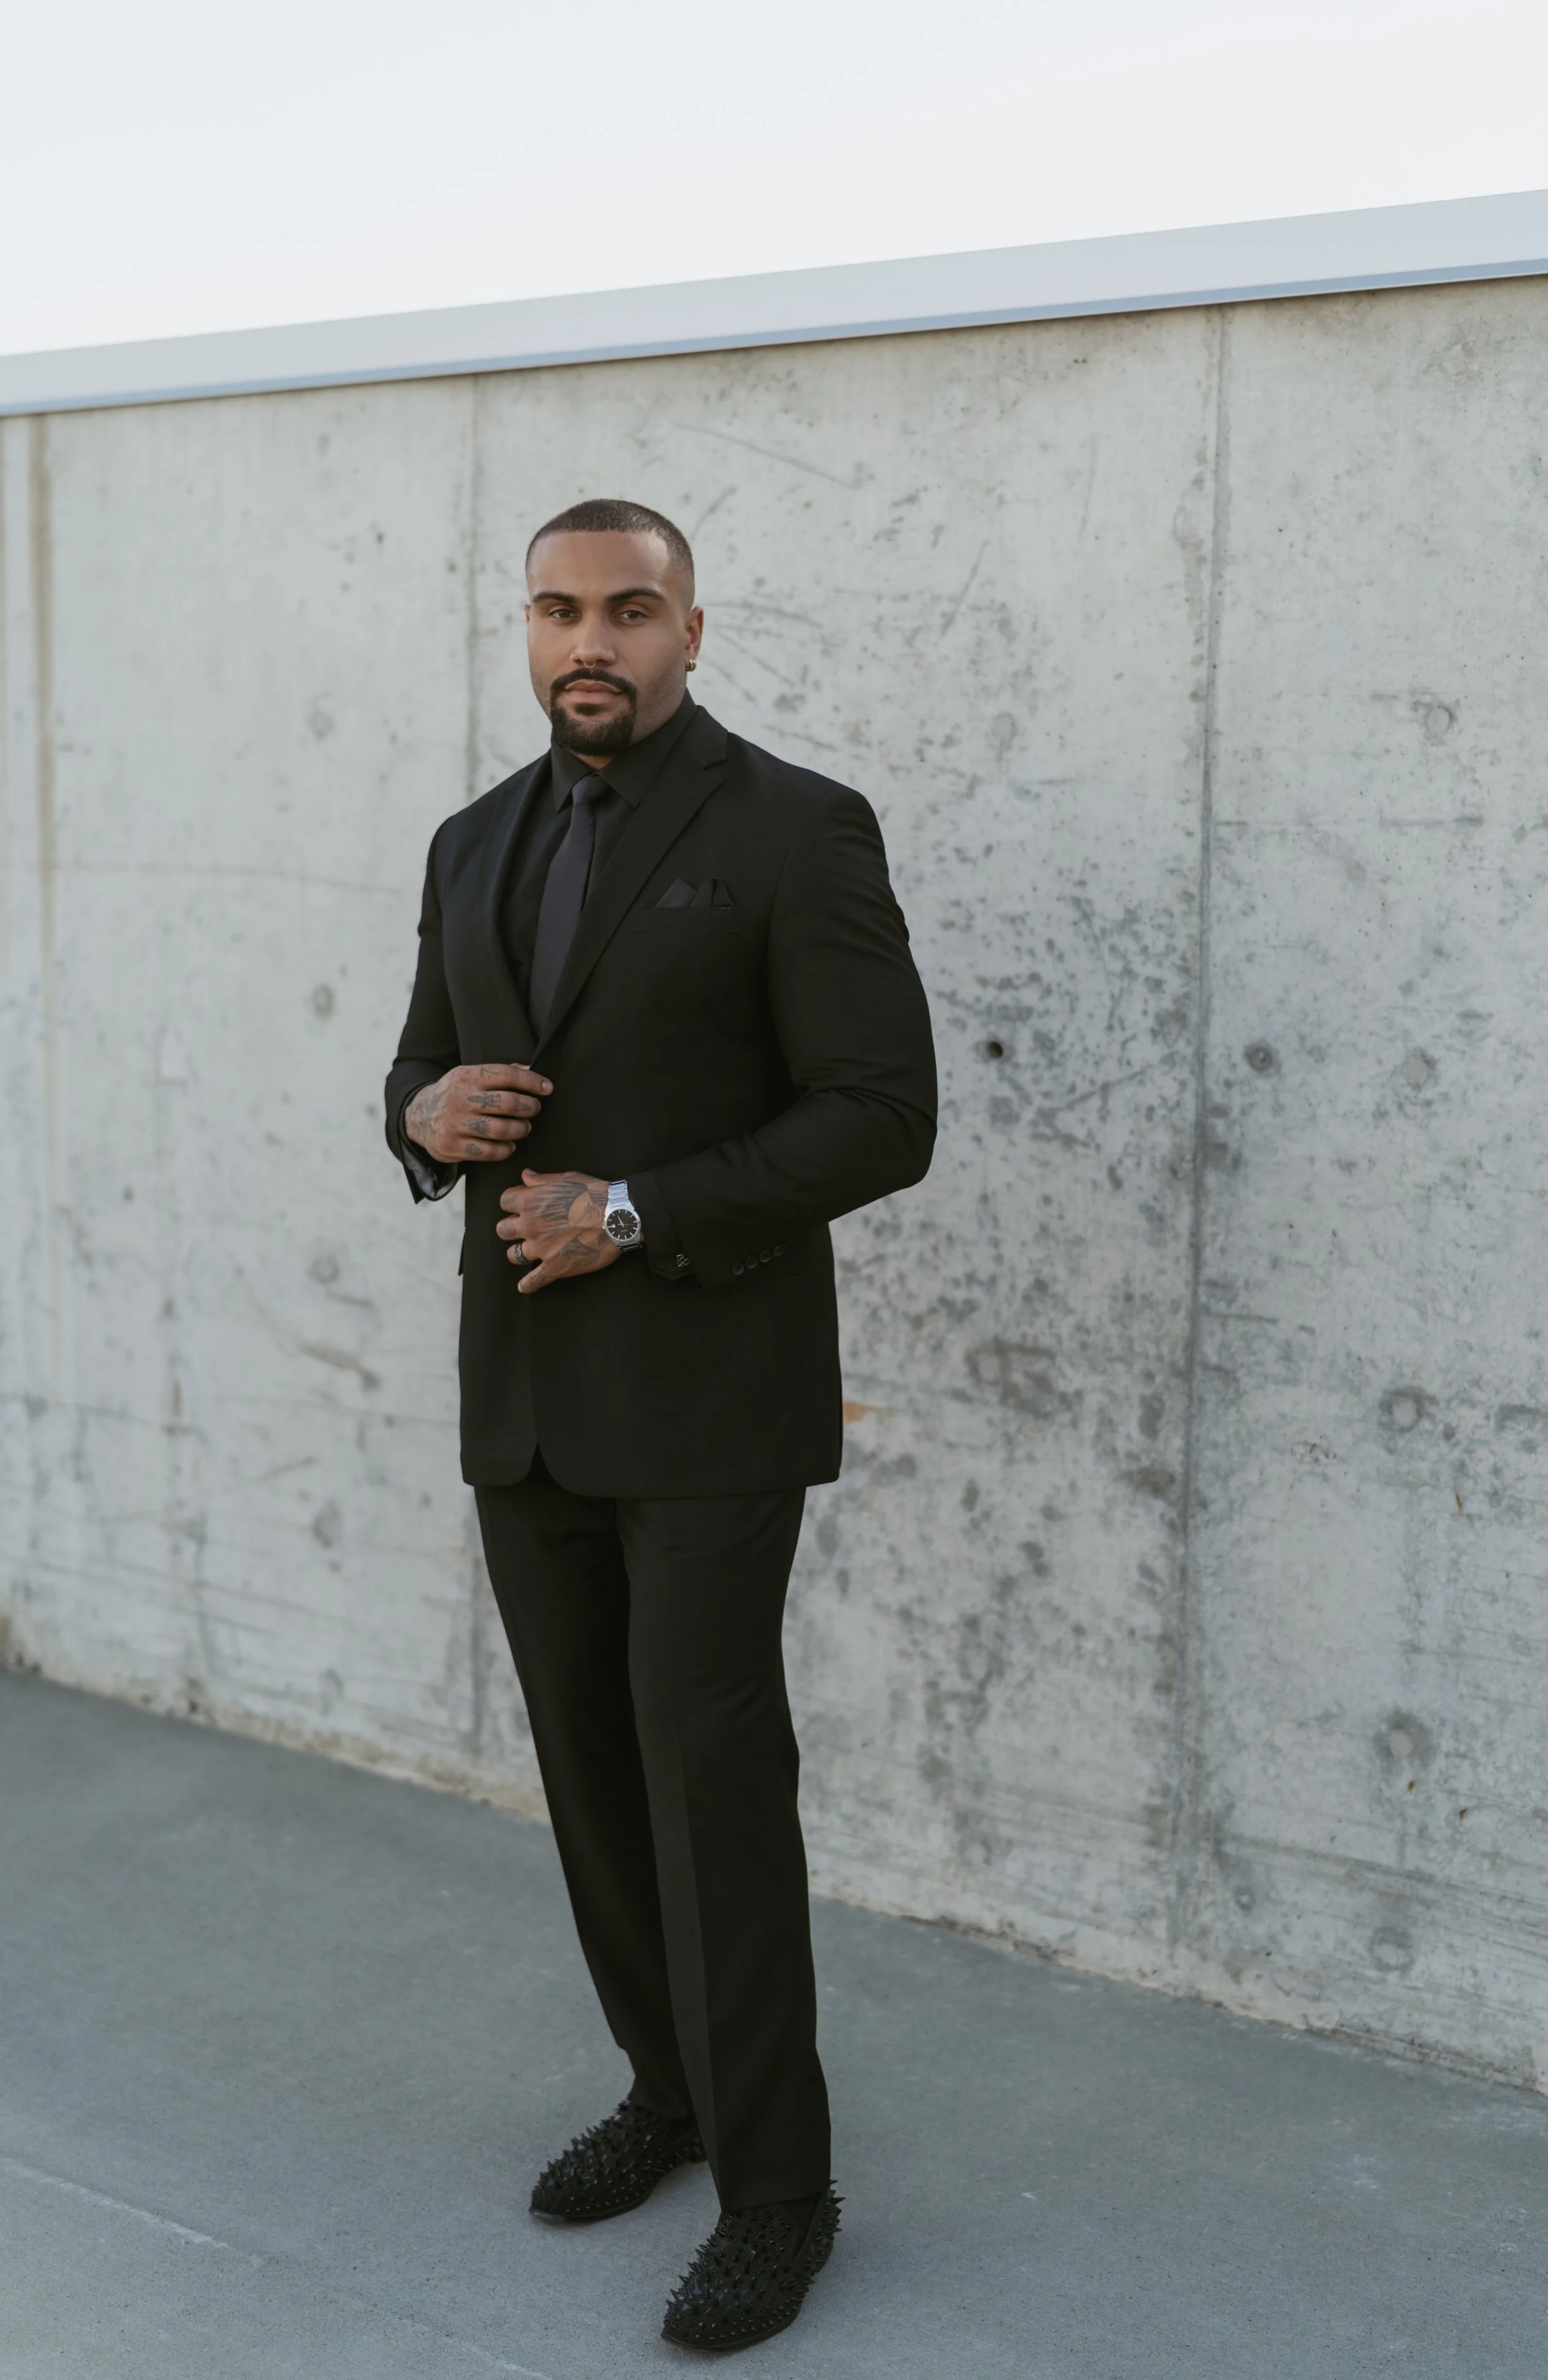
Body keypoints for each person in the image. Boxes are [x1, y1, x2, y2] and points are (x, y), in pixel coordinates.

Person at [384, 497, 936, 2351]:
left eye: (629, 609)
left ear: (694, 627)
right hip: (525, 1406)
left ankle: (780, 2193)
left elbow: (879, 1112)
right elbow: (414, 1068)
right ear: (523, 626)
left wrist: (635, 1208)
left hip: (706, 1399)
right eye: (557, 610)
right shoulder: (471, 841)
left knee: (711, 1784)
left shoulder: (793, 827)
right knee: (594, 1783)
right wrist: (423, 1110)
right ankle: (670, 2092)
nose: (588, 642)